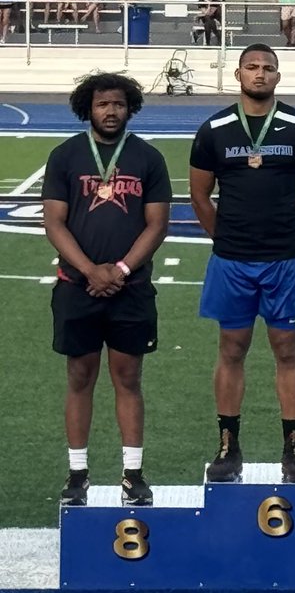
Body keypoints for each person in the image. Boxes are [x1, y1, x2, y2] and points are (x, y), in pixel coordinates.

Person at [189, 44, 295, 484]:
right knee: (231, 348)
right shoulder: (213, 129)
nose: (260, 74)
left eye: (268, 68)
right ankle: (228, 447)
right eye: (252, 67)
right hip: (232, 261)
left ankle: (293, 448)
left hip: (284, 259)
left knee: (287, 349)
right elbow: (199, 196)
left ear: (278, 76)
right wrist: (228, 237)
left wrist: (288, 232)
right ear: (237, 74)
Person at [44, 73, 170, 506]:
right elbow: (53, 222)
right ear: (88, 109)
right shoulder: (65, 155)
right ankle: (77, 474)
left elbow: (157, 224)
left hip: (130, 288)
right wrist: (89, 272)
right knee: (79, 376)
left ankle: (132, 474)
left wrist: (118, 269)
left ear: (129, 107)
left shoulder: (148, 158)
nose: (110, 111)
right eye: (102, 105)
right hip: (76, 287)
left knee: (128, 378)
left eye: (118, 104)